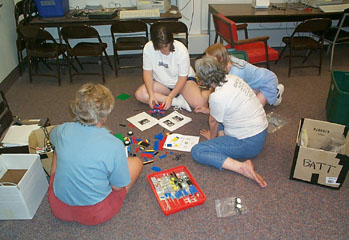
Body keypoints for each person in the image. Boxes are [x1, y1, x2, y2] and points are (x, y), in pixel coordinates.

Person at [48, 83, 143, 225]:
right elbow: (117, 187)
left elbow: (51, 136)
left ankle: (57, 180)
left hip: (58, 207)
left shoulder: (63, 130)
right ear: (104, 115)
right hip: (95, 213)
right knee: (136, 163)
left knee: (58, 147)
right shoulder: (114, 144)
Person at [191, 56, 268, 188]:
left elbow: (214, 122)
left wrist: (212, 138)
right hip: (261, 131)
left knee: (198, 151)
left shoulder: (216, 97)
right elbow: (231, 104)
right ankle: (223, 140)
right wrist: (209, 109)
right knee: (220, 115)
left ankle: (241, 167)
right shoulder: (233, 79)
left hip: (249, 143)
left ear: (203, 81)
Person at [135, 24, 210, 112]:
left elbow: (182, 78)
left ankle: (211, 91)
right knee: (140, 94)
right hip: (163, 84)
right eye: (160, 48)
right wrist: (151, 94)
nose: (164, 51)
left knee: (199, 103)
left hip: (184, 82)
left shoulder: (181, 49)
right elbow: (147, 72)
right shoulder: (148, 48)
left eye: (166, 46)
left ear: (171, 41)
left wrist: (170, 96)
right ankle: (178, 102)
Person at [205, 43, 284, 107]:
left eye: (210, 60)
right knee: (248, 98)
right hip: (253, 83)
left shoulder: (236, 73)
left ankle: (276, 94)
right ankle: (261, 92)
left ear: (221, 58)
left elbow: (231, 94)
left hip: (267, 80)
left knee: (255, 108)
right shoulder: (226, 60)